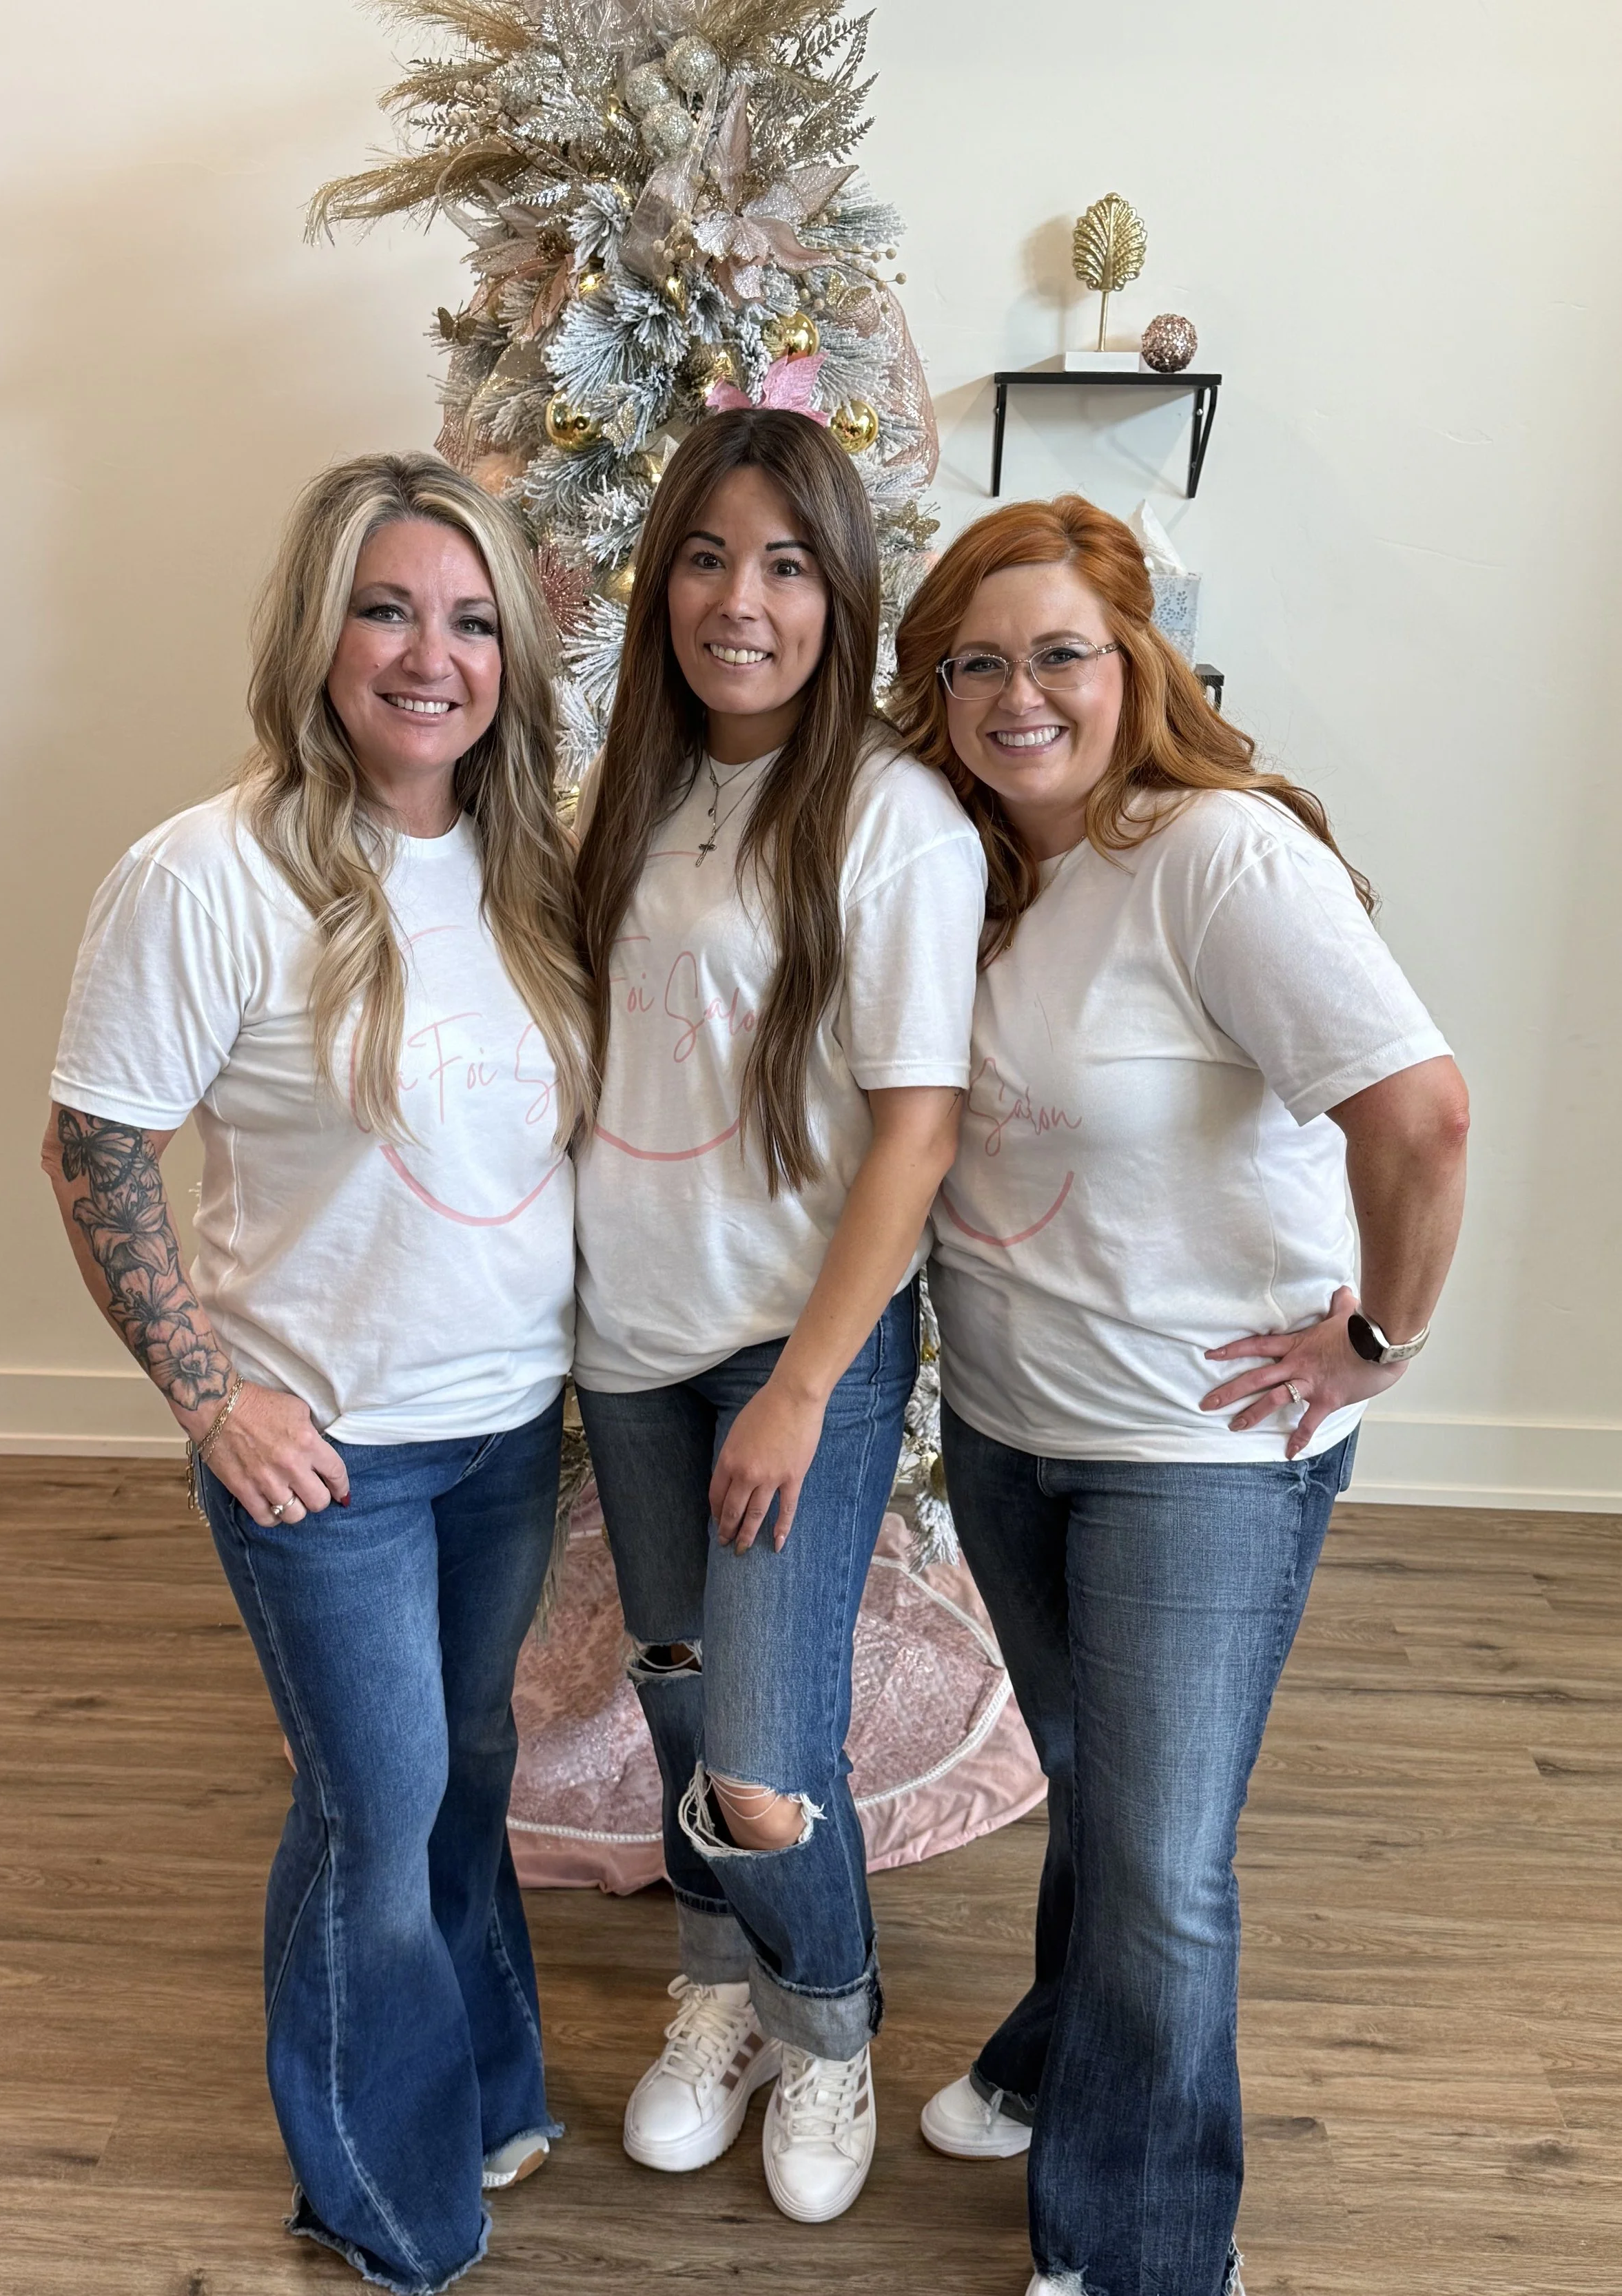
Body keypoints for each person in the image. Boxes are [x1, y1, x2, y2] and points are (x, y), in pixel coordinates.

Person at [889, 496, 1468, 2296]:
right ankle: (1067, 2044)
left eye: (1056, 651)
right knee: (1095, 1783)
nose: (1016, 694)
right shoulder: (971, 869)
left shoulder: (1214, 855)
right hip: (1008, 1426)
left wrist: (1375, 1336)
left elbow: (1421, 1114)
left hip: (1192, 1455)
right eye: (974, 662)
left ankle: (1142, 2241)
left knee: (1157, 1857)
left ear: (1132, 661)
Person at [43, 452, 593, 2295]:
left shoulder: (531, 865)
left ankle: (488, 2089)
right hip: (324, 1451)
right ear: (317, 630)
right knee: (375, 1806)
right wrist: (209, 1395)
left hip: (509, 1425)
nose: (427, 654)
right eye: (384, 606)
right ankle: (380, 2189)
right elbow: (97, 1148)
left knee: (464, 1772)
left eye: (466, 616)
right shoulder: (208, 872)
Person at [571, 407, 987, 2225]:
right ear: (663, 573)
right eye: (709, 555)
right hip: (627, 1331)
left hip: (785, 1345)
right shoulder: (635, 790)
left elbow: (919, 1122)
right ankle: (725, 1992)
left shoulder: (890, 817)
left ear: (840, 590)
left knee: (759, 1754)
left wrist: (807, 1384)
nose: (741, 600)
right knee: (676, 1702)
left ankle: (829, 2030)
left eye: (787, 563)